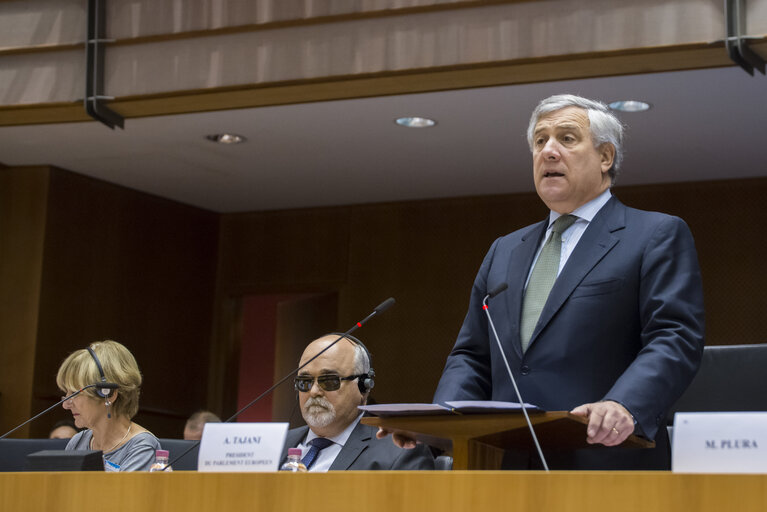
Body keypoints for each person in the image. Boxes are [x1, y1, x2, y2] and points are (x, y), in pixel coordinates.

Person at [380, 94, 705, 470]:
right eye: (539, 141)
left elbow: (674, 337)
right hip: (503, 465)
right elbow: (473, 355)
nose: (548, 151)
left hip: (605, 460)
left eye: (566, 138)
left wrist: (625, 404)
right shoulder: (504, 250)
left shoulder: (654, 234)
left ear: (605, 157)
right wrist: (440, 422)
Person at [280, 334, 434, 471]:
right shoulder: (275, 444)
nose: (313, 391)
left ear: (363, 386)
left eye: (329, 381)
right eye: (304, 382)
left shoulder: (401, 452)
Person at [57, 340, 161, 471]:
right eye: (66, 394)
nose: (66, 405)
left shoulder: (142, 447)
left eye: (75, 393)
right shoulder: (77, 442)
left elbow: (121, 492)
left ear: (108, 394)